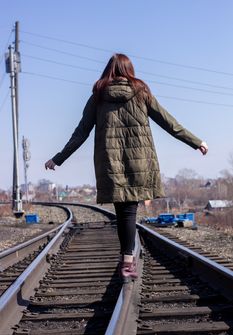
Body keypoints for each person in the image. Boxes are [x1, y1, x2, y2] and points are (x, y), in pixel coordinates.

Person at [45, 53, 208, 283]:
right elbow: (168, 122)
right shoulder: (141, 92)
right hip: (139, 161)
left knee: (122, 212)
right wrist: (196, 142)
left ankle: (126, 260)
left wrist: (58, 158)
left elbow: (80, 132)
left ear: (108, 71)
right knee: (130, 212)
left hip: (110, 162)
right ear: (129, 70)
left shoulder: (98, 96)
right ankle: (128, 261)